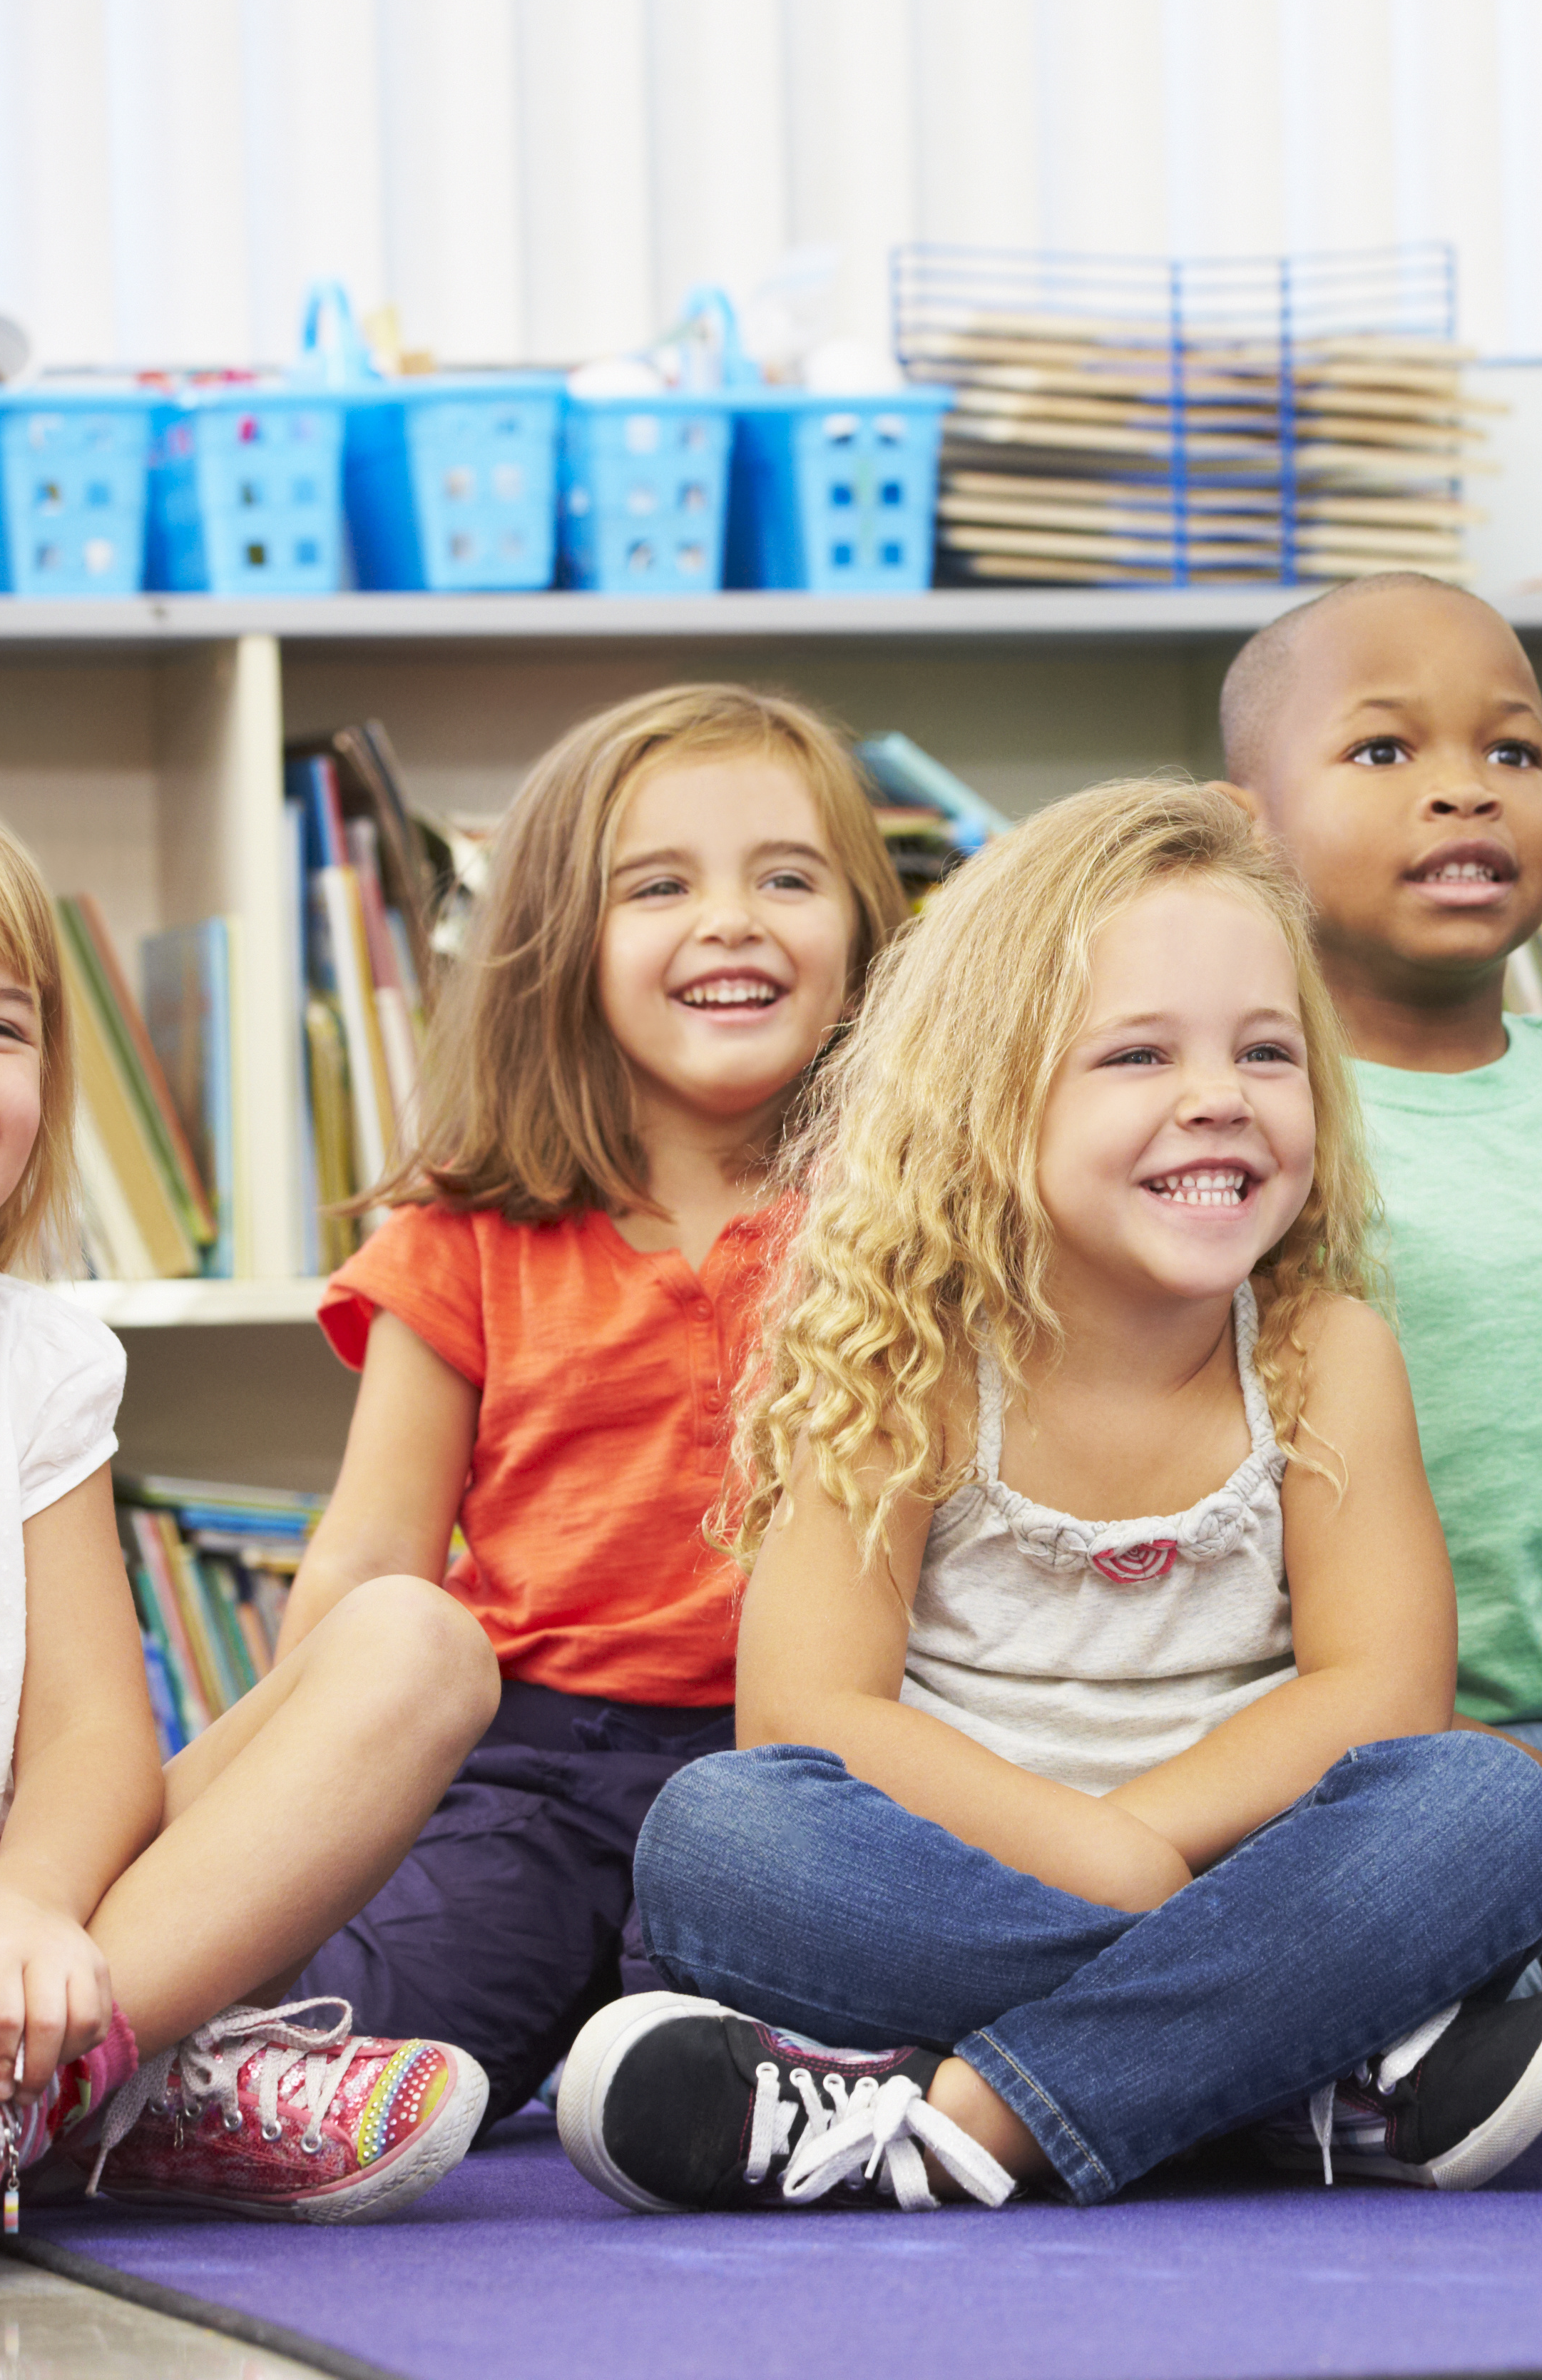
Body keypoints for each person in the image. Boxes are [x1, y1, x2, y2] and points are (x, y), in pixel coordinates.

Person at [556, 779, 1542, 2215]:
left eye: (1268, 1052)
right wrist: (1111, 1864)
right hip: (958, 1889)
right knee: (717, 1837)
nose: (1217, 1098)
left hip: (1249, 1865)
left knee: (1496, 1807)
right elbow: (807, 1715)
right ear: (990, 1100)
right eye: (1138, 1055)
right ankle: (1302, 2071)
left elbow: (1382, 1691)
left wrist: (1153, 1834)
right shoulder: (904, 1353)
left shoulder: (1325, 1351)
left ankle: (947, 2110)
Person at [0, 771, 488, 2279]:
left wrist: (36, 1903)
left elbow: (100, 1733)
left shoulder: (31, 1360)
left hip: (0, 1932)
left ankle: (18, 2089)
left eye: (1, 1024)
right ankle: (128, 2087)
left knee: (416, 1643)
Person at [282, 685, 907, 2118]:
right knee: (350, 2042)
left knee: (797, 2020)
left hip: (816, 1775)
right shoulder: (463, 1241)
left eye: (788, 878)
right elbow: (370, 1566)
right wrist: (272, 1822)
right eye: (661, 886)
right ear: (560, 946)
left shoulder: (913, 1221)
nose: (733, 919)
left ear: (869, 943)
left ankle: (701, 2065)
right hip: (529, 1775)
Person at [1222, 575, 1542, 2107]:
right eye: (1383, 753)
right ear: (1247, 833)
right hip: (1340, 1749)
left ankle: (1496, 2033)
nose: (1464, 788)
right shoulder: (1246, 1113)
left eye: (1514, 753)